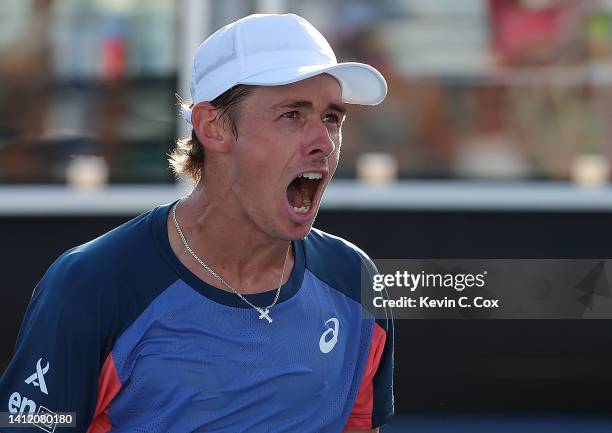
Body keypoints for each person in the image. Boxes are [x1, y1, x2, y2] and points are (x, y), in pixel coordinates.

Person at [0, 13, 394, 433]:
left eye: (332, 118)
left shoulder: (354, 280)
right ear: (213, 127)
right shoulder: (91, 283)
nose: (323, 143)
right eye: (292, 115)